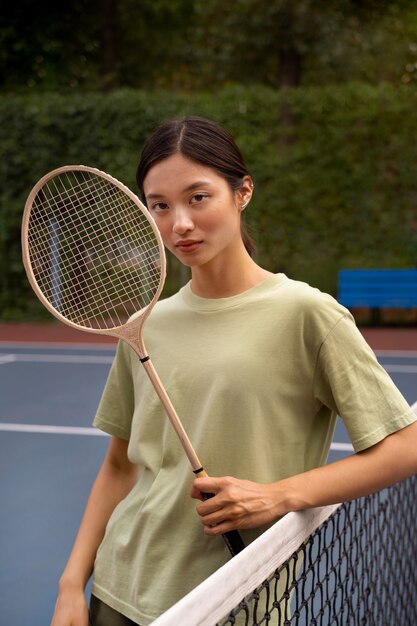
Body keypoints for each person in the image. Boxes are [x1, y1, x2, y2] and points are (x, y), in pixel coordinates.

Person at [50, 116, 417, 626]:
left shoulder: (308, 314)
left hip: (237, 601)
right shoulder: (146, 324)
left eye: (198, 197)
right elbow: (119, 467)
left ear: (242, 192)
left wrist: (278, 496)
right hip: (120, 590)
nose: (178, 224)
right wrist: (72, 584)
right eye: (159, 205)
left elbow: (405, 447)